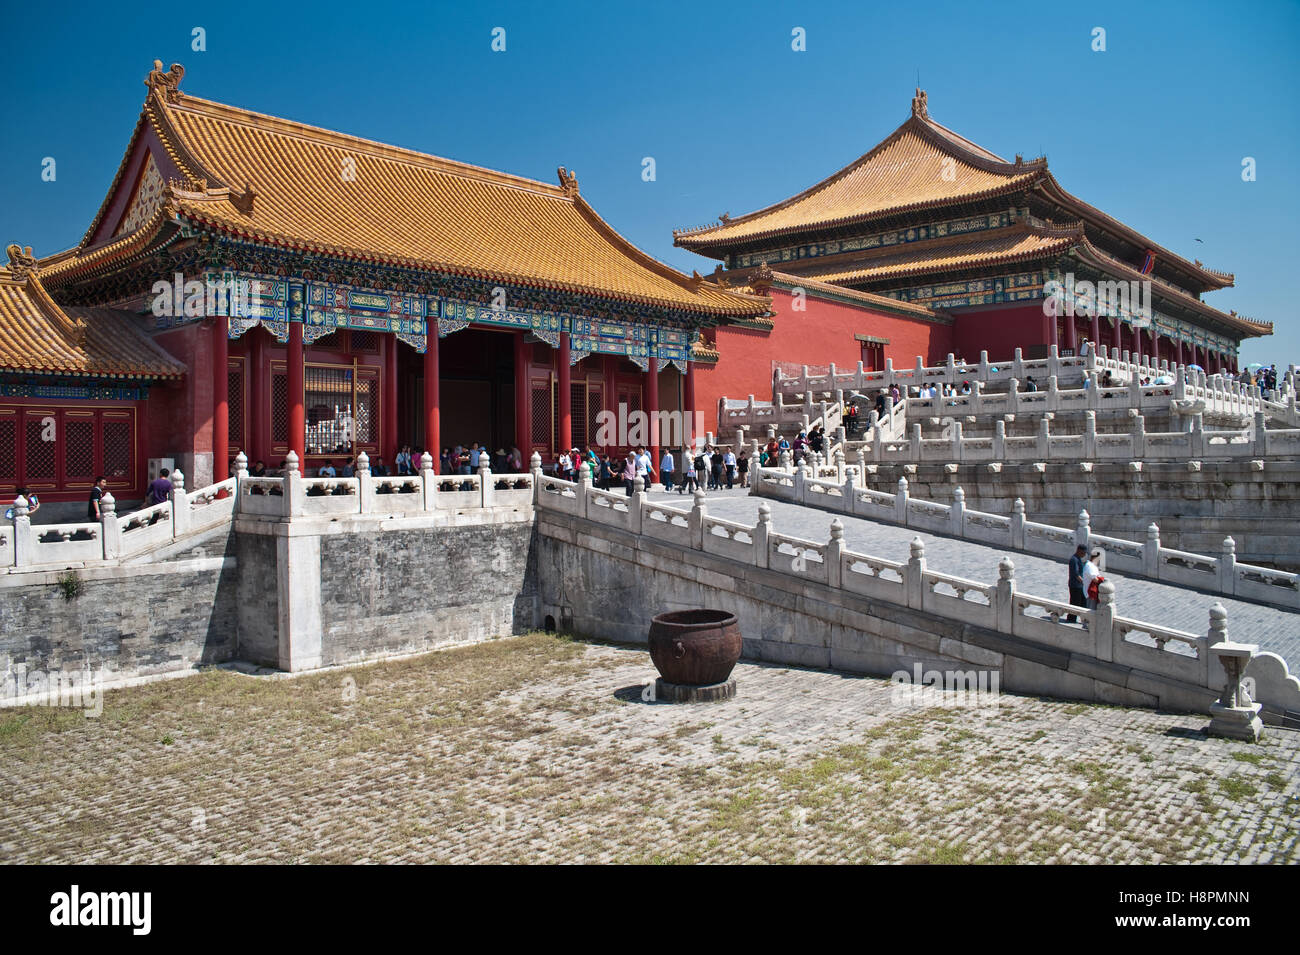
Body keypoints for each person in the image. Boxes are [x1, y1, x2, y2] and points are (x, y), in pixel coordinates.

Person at [1081, 551, 1103, 629]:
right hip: (1090, 593)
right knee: (1090, 610)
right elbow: (1095, 579)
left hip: (1092, 593)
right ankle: (1086, 626)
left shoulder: (1092, 566)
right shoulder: (1089, 566)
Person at [1066, 544, 1087, 623]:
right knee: (1075, 602)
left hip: (1079, 586)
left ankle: (1082, 619)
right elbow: (1076, 573)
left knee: (1081, 602)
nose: (1084, 555)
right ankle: (1071, 619)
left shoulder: (1078, 559)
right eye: (1083, 553)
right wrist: (1083, 582)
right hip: (1075, 586)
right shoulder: (1074, 560)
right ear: (1079, 550)